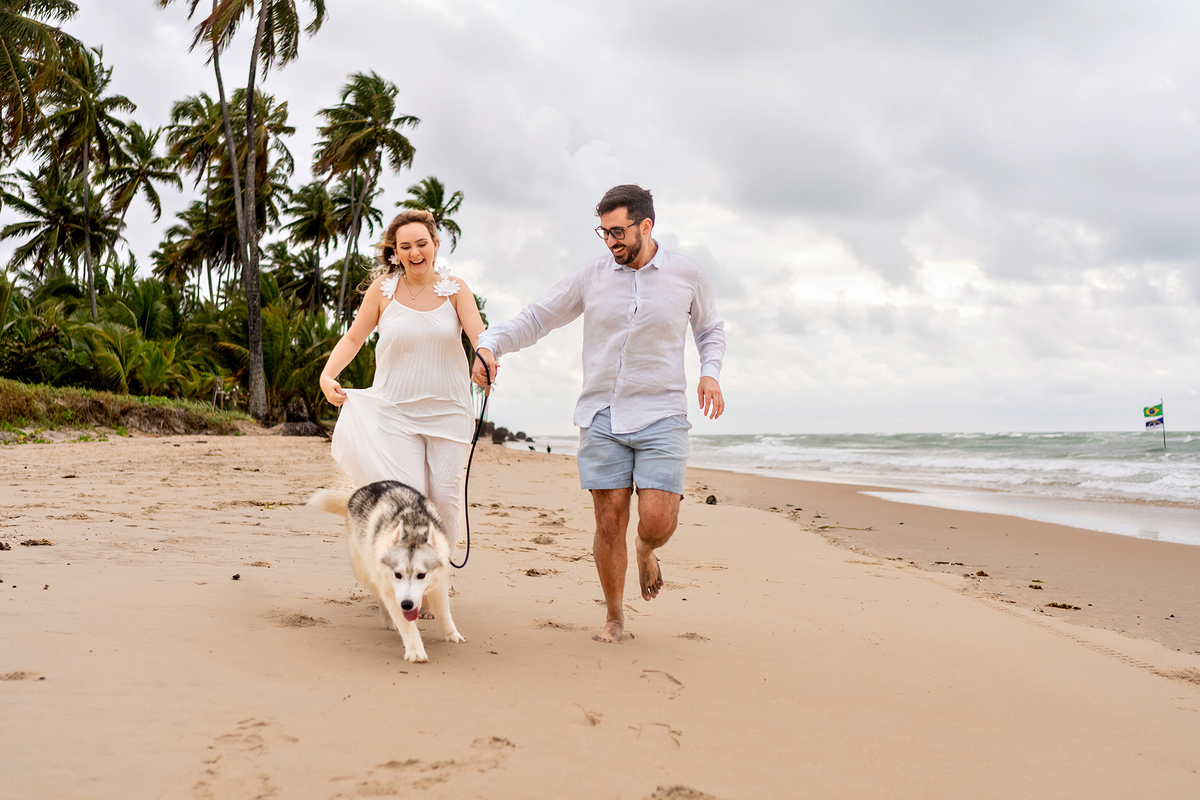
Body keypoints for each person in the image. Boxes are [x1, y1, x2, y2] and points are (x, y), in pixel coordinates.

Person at [472, 185, 726, 644]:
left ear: (646, 225)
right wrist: (490, 344)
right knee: (609, 519)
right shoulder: (591, 276)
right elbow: (536, 318)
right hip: (602, 412)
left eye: (618, 231)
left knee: (658, 520)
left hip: (663, 411)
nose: (610, 242)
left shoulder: (688, 274)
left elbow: (710, 329)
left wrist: (710, 373)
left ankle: (646, 550)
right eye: (603, 232)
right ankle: (614, 616)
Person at [319, 209, 487, 552]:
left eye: (422, 244)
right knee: (408, 502)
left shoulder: (455, 290)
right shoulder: (383, 291)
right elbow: (353, 338)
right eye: (405, 246)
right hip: (395, 413)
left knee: (444, 502)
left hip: (449, 412)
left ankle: (432, 577)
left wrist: (486, 358)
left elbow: (479, 335)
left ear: (436, 245)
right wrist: (327, 374)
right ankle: (413, 586)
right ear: (394, 251)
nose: (414, 253)